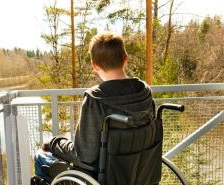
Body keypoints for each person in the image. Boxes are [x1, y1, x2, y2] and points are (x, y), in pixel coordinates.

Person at [35, 32, 156, 176]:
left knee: (41, 156)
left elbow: (85, 155)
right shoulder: (145, 91)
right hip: (138, 171)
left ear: (94, 65)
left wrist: (54, 143)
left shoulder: (95, 99)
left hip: (103, 177)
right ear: (125, 59)